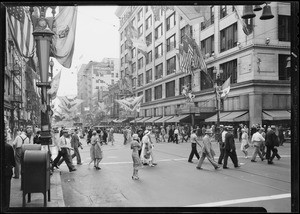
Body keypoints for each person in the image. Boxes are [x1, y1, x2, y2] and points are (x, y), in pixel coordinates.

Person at [3, 130, 16, 210]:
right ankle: (6, 206)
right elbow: (13, 161)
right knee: (7, 189)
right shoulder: (8, 147)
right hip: (7, 171)